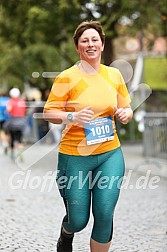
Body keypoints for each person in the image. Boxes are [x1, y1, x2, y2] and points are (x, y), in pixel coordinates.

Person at [43, 21, 133, 252]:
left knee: (104, 213)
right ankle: (66, 233)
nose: (90, 44)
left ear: (102, 45)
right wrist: (71, 118)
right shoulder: (66, 78)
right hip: (75, 156)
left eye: (95, 40)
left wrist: (125, 113)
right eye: (85, 40)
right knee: (78, 220)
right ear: (78, 47)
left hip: (108, 153)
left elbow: (126, 108)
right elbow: (49, 112)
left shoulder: (114, 75)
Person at [6, 88, 27, 160]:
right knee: (20, 138)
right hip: (21, 122)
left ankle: (12, 153)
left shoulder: (11, 101)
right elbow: (25, 110)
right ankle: (20, 151)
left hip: (13, 122)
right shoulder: (22, 102)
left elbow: (8, 110)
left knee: (11, 138)